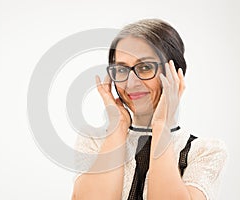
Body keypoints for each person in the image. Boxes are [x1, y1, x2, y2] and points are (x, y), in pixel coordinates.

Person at [72, 19, 227, 200]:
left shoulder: (205, 151)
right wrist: (118, 125)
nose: (131, 83)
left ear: (175, 74)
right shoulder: (95, 141)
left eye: (145, 67)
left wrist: (162, 126)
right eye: (121, 70)